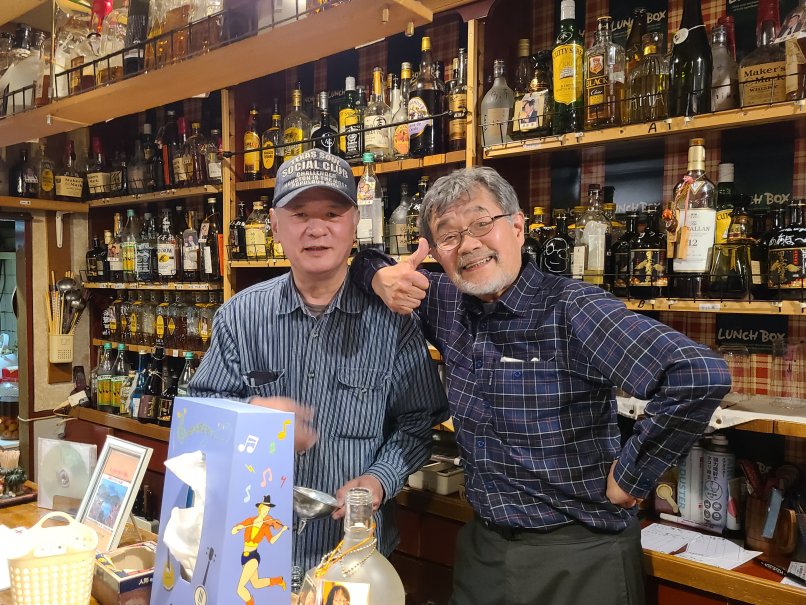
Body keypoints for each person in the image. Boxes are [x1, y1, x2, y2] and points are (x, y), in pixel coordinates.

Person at [351, 166, 731, 605]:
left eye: (481, 223)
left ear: (517, 227)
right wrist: (380, 278)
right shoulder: (447, 301)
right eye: (449, 236)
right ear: (436, 252)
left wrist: (632, 476)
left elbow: (698, 374)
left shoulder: (572, 307)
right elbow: (363, 262)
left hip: (579, 553)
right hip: (484, 550)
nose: (468, 244)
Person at [189, 148, 448, 573]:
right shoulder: (240, 316)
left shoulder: (393, 321)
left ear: (354, 222)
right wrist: (252, 414)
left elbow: (417, 425)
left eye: (332, 213)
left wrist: (379, 479)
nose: (316, 229)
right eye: (299, 214)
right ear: (275, 225)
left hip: (354, 557)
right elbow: (199, 418)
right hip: (255, 548)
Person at [231, 494, 288, 603]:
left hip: (253, 557)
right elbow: (232, 531)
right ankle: (279, 580)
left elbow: (271, 540)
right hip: (244, 556)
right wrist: (238, 527)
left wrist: (282, 531)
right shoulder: (250, 521)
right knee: (256, 584)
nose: (266, 511)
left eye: (268, 510)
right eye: (264, 509)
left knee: (240, 589)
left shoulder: (266, 526)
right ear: (260, 508)